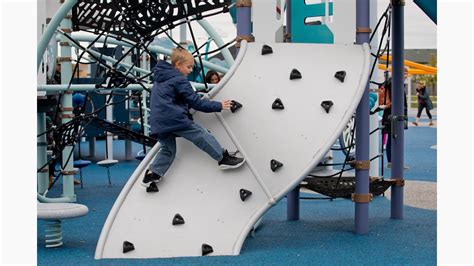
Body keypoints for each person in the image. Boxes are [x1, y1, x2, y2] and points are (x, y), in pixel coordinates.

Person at [142, 48, 245, 191]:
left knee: (168, 150)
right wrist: (220, 105)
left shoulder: (160, 79)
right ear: (178, 65)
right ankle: (223, 158)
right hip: (173, 119)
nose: (190, 70)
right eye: (188, 67)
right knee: (201, 134)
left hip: (158, 122)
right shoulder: (179, 79)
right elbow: (197, 103)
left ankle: (152, 174)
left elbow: (173, 98)